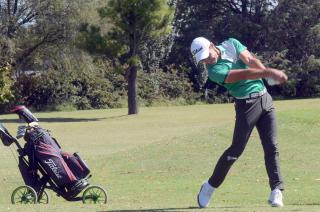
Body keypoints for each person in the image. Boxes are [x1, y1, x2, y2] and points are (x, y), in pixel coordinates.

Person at [190, 37, 287, 208]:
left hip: (265, 99)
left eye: (207, 55)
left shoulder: (231, 44)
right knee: (236, 150)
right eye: (203, 59)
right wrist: (269, 72)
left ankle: (276, 190)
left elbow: (250, 60)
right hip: (246, 106)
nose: (207, 60)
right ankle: (210, 186)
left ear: (212, 45)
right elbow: (245, 74)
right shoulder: (214, 72)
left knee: (272, 147)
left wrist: (266, 73)